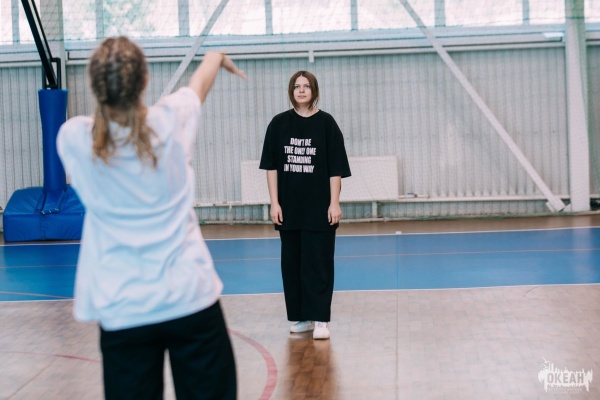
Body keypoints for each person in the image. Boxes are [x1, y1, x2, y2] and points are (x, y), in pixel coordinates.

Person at [56, 36, 246, 400]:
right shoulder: (171, 120)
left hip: (123, 308)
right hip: (190, 298)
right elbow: (199, 83)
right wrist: (215, 56)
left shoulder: (74, 138)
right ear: (144, 80)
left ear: (95, 87)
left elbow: (105, 129)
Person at [259, 71, 351, 340]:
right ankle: (302, 317)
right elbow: (271, 167)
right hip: (289, 210)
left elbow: (336, 169)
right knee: (292, 266)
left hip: (319, 210)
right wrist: (274, 203)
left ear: (314, 91)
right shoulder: (278, 124)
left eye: (306, 86)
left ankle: (321, 318)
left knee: (318, 265)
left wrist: (334, 203)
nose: (301, 90)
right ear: (291, 91)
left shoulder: (326, 124)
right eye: (297, 86)